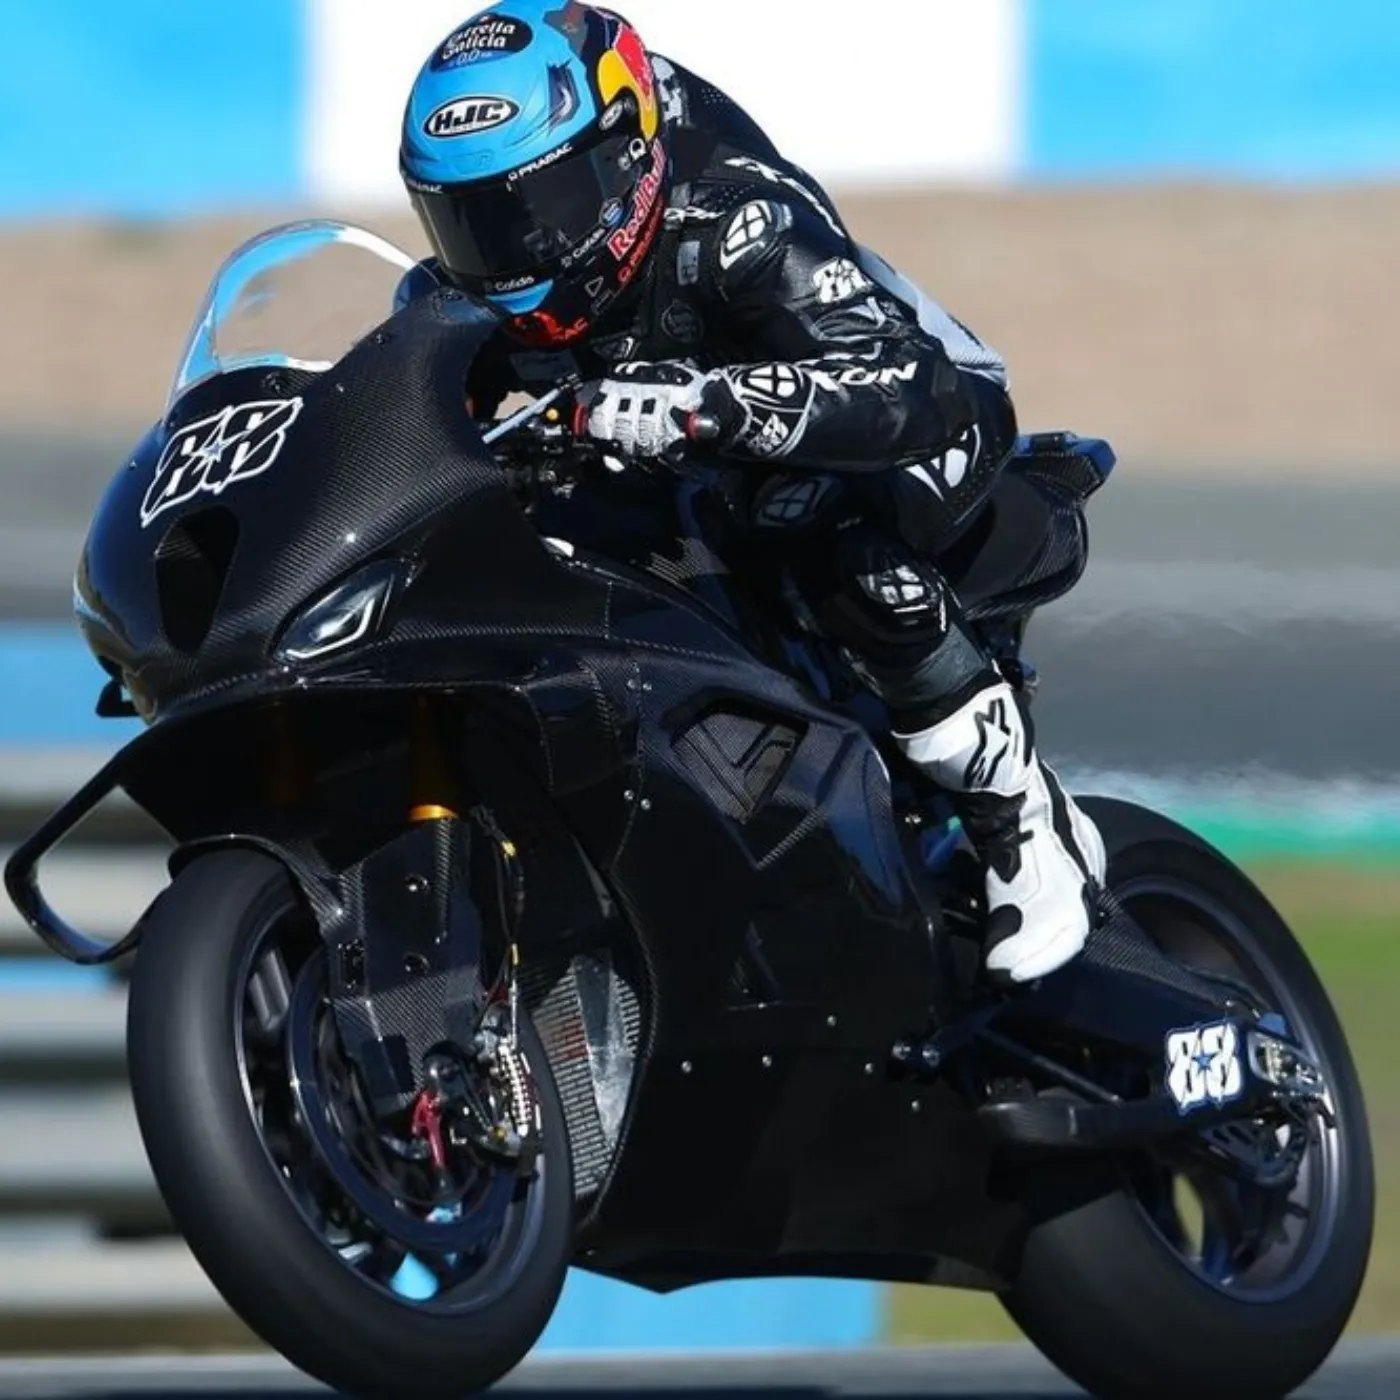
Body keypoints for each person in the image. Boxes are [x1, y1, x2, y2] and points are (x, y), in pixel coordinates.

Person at [397, 0, 1105, 985]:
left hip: (916, 422)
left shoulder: (738, 220)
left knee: (806, 522)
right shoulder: (462, 294)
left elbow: (914, 389)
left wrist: (704, 406)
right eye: (471, 225)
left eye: (538, 210)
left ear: (623, 156)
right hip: (691, 472)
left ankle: (1023, 818)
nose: (511, 254)